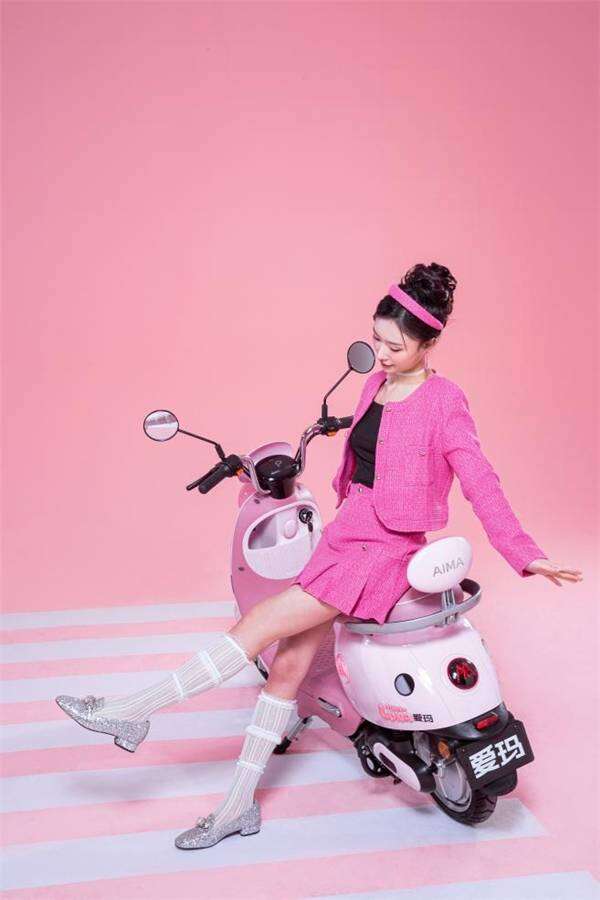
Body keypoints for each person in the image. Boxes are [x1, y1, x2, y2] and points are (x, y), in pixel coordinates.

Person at [55, 262, 583, 850]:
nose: (382, 354)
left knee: (258, 624)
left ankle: (133, 711)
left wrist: (524, 553)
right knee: (288, 668)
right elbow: (372, 448)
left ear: (429, 344)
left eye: (396, 346)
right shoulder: (374, 384)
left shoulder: (446, 402)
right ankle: (237, 807)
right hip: (344, 535)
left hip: (384, 550)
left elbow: (481, 479)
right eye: (377, 340)